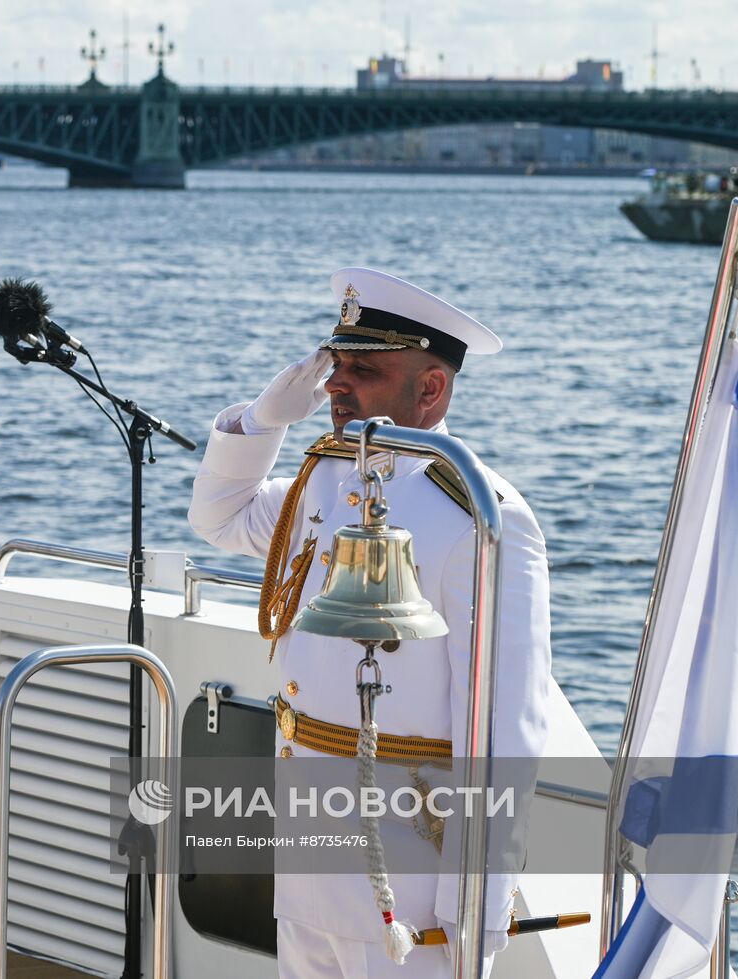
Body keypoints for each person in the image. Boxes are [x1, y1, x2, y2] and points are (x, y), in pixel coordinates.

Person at [188, 268, 551, 979]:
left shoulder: (480, 514)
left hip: (409, 871)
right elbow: (218, 517)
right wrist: (264, 421)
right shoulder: (325, 475)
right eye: (335, 365)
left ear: (431, 389)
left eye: (365, 370)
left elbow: (506, 722)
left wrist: (473, 904)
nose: (334, 384)